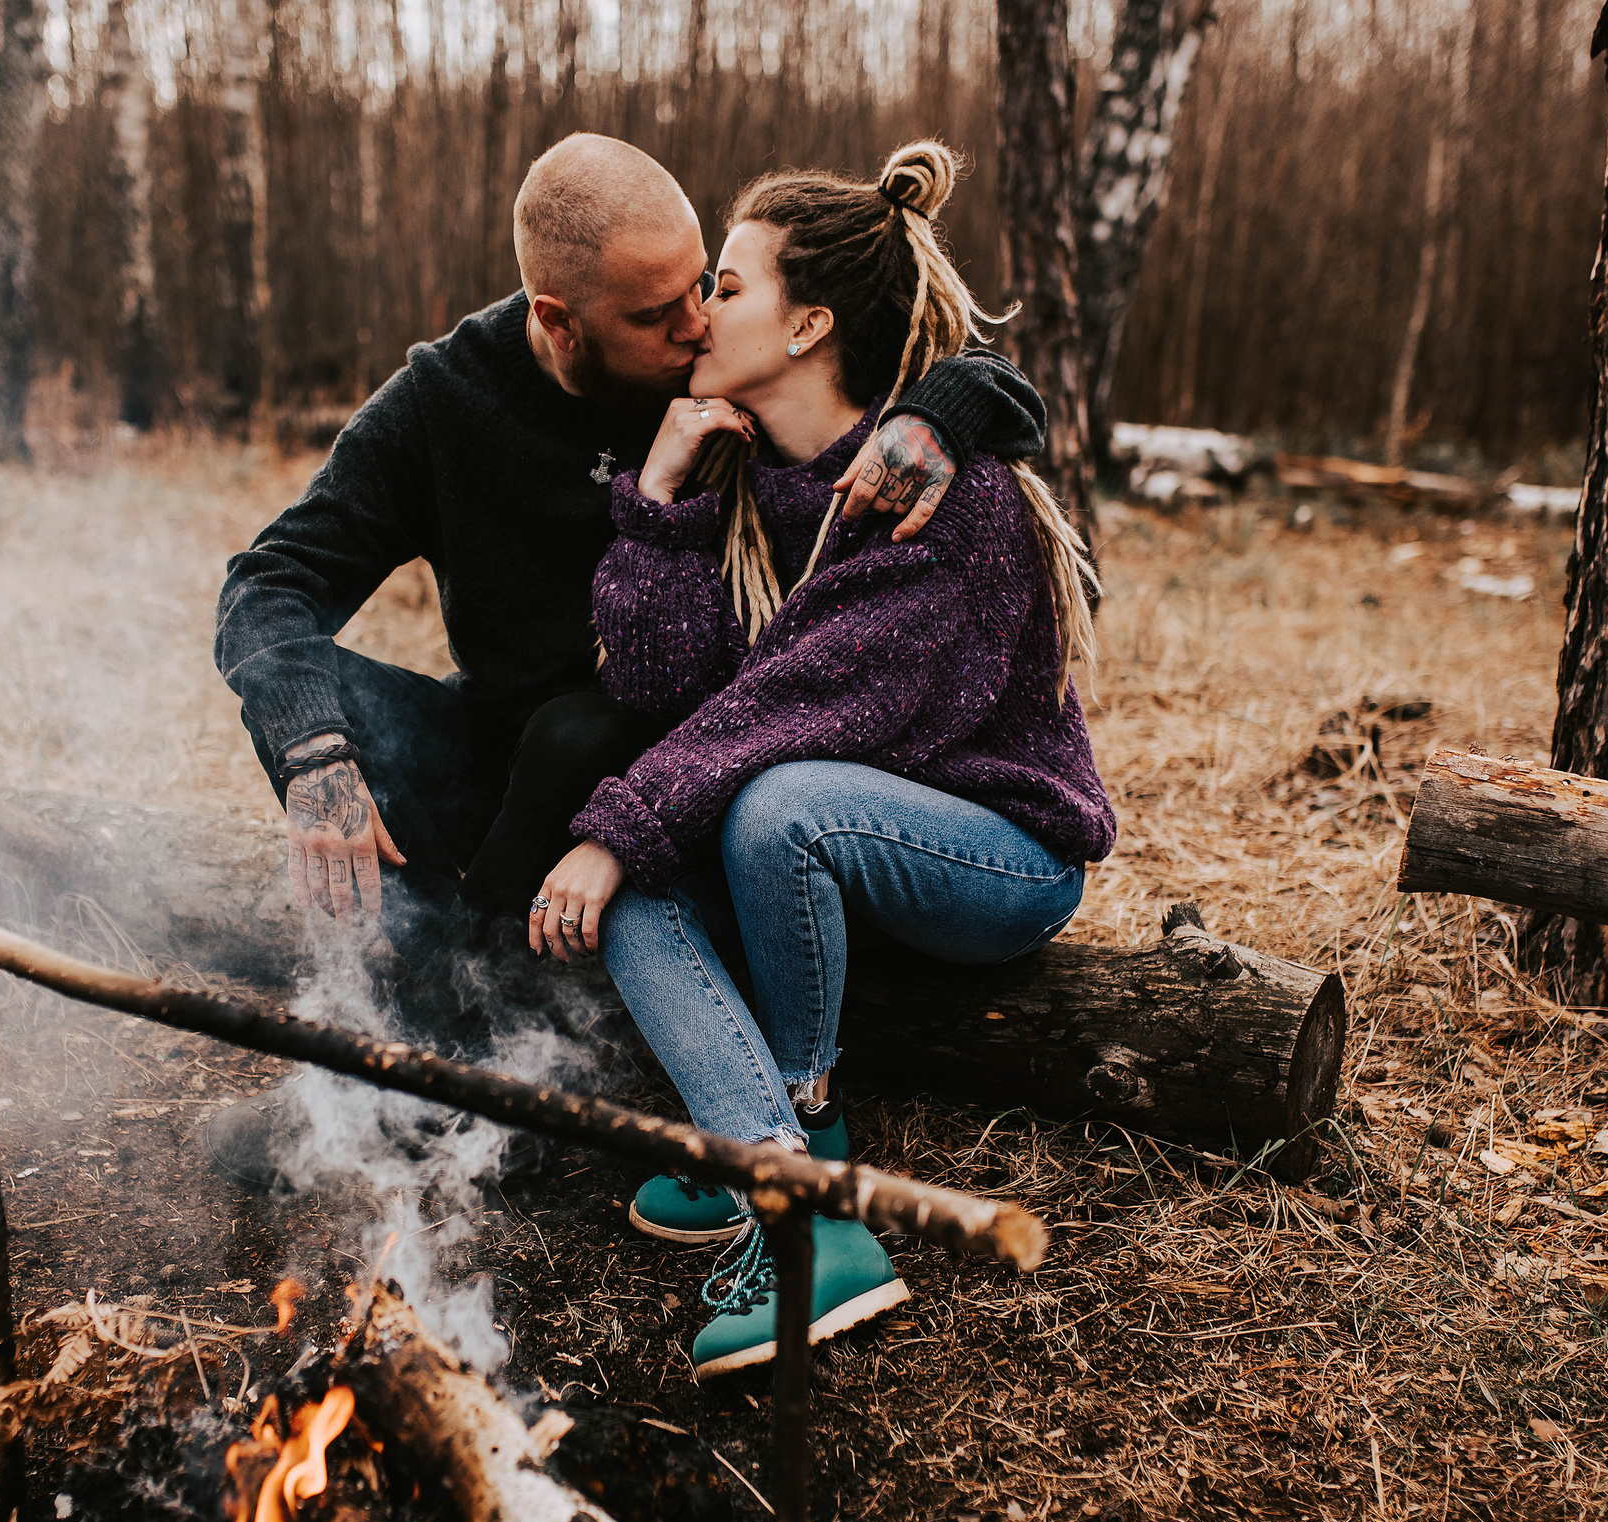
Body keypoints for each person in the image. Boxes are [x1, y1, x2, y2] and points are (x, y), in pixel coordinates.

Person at [207, 133, 1050, 1172]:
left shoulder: (724, 361)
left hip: (687, 769)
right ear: (556, 319)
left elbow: (892, 323)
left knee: (586, 725)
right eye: (658, 315)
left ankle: (477, 1049)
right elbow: (268, 582)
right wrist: (315, 758)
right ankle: (441, 1021)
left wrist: (950, 405)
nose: (694, 324)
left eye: (706, 287)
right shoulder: (443, 403)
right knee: (328, 702)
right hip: (524, 775)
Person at [528, 141, 1116, 1377]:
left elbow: (790, 714)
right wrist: (662, 494)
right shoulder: (757, 479)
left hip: (995, 852)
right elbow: (655, 686)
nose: (697, 318)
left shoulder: (937, 501)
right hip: (835, 837)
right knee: (648, 891)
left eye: (726, 290)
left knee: (776, 805)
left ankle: (805, 1210)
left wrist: (608, 824)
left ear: (806, 326)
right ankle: (773, 1159)